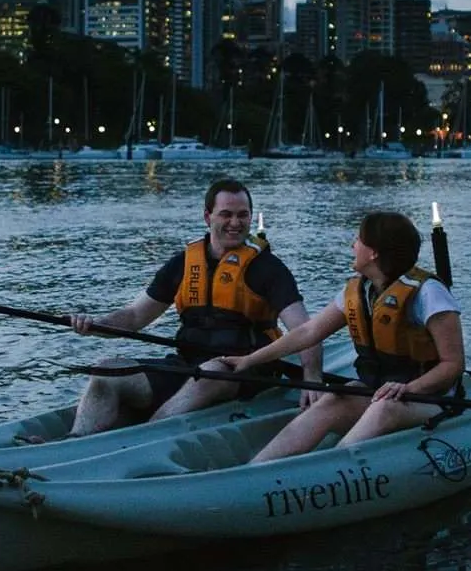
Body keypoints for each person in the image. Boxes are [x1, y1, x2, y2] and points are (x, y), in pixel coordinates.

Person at [66, 178, 322, 435]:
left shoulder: (268, 268)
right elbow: (134, 316)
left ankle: (146, 435)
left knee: (211, 372)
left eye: (243, 215)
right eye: (226, 214)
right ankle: (72, 442)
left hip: (247, 370)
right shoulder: (183, 264)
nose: (235, 223)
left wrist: (312, 377)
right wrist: (95, 325)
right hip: (186, 364)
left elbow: (305, 329)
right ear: (207, 217)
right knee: (105, 371)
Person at [220, 210, 464, 462]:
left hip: (430, 399)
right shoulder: (361, 289)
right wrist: (249, 361)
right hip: (380, 392)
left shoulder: (429, 293)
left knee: (384, 407)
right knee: (334, 399)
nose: (352, 244)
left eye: (358, 239)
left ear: (373, 253)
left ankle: (330, 470)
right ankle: (257, 468)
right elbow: (308, 332)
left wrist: (407, 388)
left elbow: (453, 364)